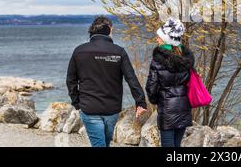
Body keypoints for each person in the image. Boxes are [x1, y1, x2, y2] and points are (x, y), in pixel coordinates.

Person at [66, 16, 148, 147]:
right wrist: (141, 102)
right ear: (109, 29)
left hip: (89, 107)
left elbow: (71, 80)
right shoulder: (119, 51)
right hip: (112, 108)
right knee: (102, 144)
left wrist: (77, 102)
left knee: (101, 144)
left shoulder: (80, 51)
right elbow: (131, 79)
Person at [145, 18, 194, 147]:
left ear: (166, 39)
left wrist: (157, 100)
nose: (157, 39)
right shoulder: (186, 59)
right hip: (184, 108)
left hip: (166, 110)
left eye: (159, 37)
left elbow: (151, 87)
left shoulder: (158, 61)